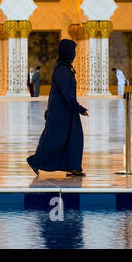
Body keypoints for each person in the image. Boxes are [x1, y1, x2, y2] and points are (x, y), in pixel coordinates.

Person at [27, 39, 88, 177]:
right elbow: (66, 92)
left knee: (74, 138)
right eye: (73, 51)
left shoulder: (65, 68)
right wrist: (79, 108)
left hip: (68, 110)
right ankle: (35, 161)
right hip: (61, 111)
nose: (74, 54)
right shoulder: (62, 70)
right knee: (55, 139)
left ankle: (73, 167)